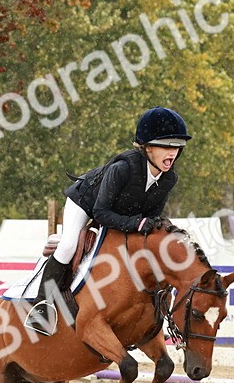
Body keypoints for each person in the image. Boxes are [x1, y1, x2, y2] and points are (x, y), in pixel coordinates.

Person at [24, 106, 191, 335]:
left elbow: (151, 216)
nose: (172, 153)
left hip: (119, 214)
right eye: (166, 146)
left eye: (177, 147)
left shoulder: (169, 178)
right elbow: (101, 212)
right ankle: (41, 306)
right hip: (86, 204)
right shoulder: (122, 169)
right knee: (69, 245)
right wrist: (136, 223)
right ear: (148, 147)